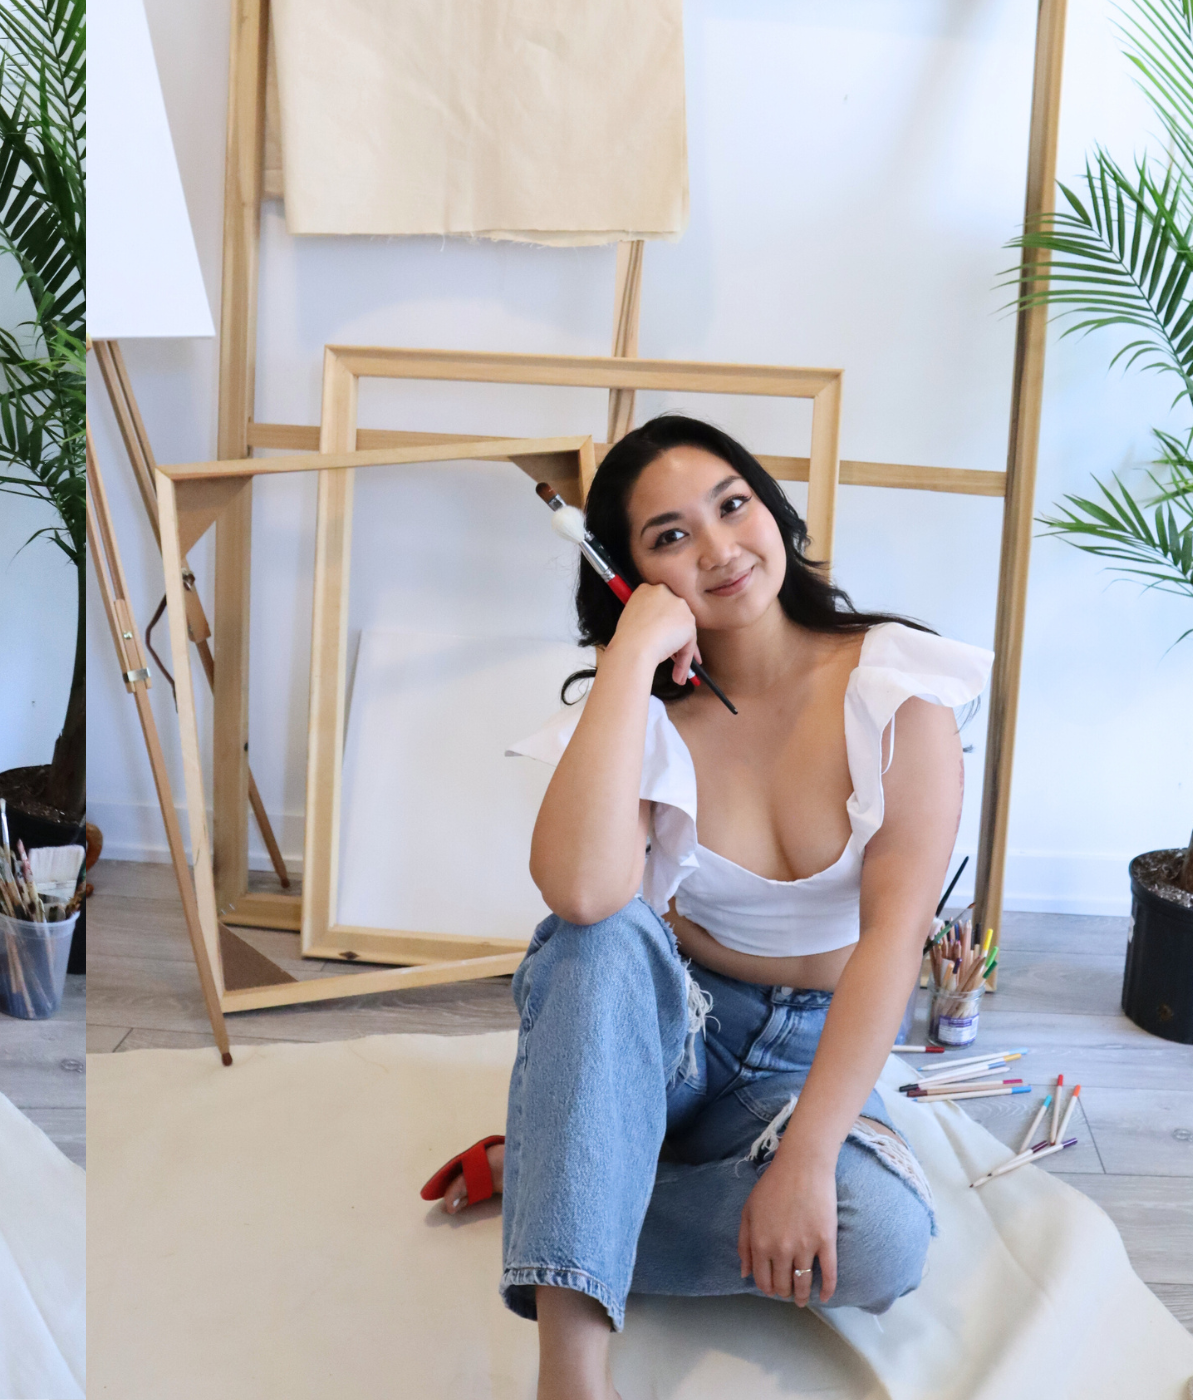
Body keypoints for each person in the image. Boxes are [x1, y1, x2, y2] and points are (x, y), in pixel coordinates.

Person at [419, 415, 985, 1400]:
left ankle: (556, 1173)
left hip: (812, 1050)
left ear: (771, 505)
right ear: (625, 572)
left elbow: (893, 939)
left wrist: (807, 1156)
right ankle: (570, 1372)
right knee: (593, 943)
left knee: (881, 1237)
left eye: (732, 504)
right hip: (673, 1030)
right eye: (669, 535)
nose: (719, 548)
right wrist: (629, 661)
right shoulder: (638, 715)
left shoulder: (893, 684)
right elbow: (582, 896)